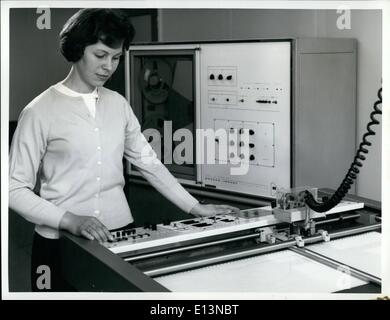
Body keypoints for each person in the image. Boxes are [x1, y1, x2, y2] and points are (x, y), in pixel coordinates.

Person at [9, 8, 239, 292]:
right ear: (78, 49)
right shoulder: (39, 111)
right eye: (101, 55)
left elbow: (149, 163)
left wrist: (194, 206)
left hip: (118, 236)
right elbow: (13, 189)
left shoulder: (117, 104)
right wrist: (69, 219)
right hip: (58, 242)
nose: (109, 66)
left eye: (116, 58)